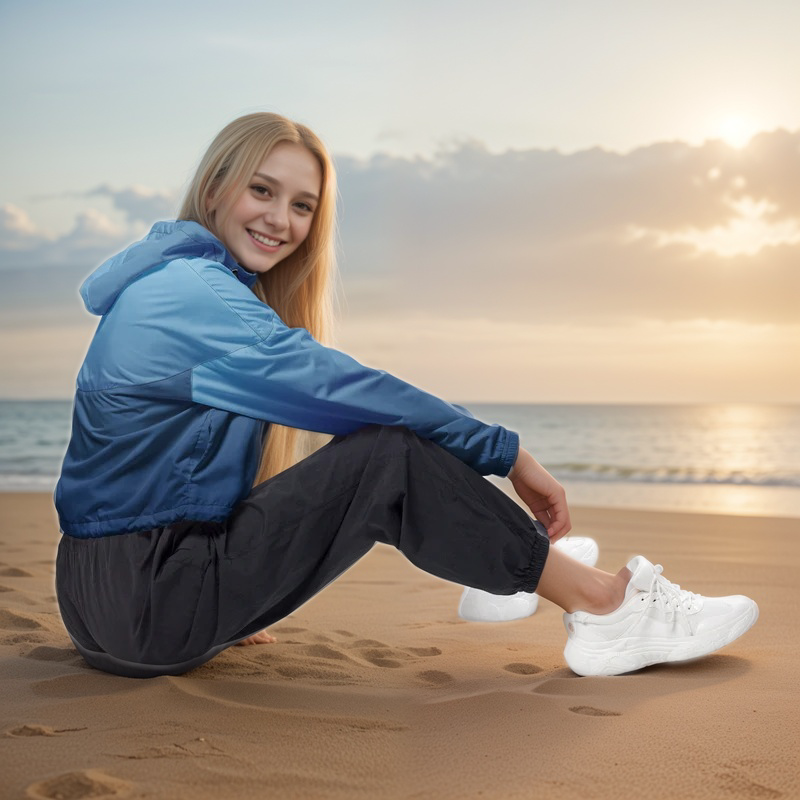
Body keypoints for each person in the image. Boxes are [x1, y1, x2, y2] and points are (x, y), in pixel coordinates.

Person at [54, 112, 758, 680]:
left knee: (382, 444)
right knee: (386, 452)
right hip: (147, 606)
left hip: (111, 600)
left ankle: (503, 567)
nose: (281, 220)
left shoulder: (173, 286)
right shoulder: (192, 298)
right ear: (215, 191)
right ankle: (604, 605)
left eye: (302, 205)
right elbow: (346, 389)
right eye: (261, 191)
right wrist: (507, 455)